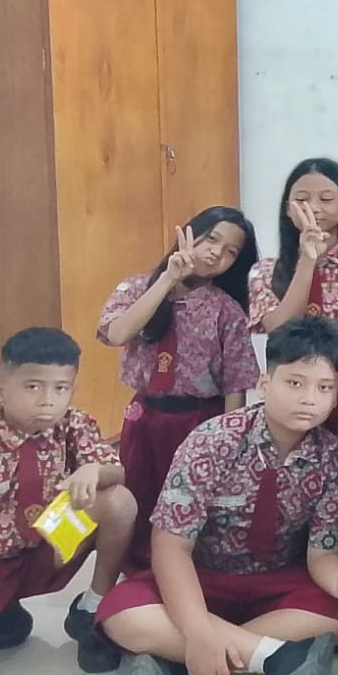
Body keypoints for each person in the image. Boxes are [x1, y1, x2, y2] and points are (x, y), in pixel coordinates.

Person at [97, 318, 338, 675]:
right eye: (295, 383)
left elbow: (322, 553)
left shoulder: (335, 457)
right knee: (121, 611)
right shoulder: (212, 440)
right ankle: (278, 658)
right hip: (202, 577)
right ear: (264, 384)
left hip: (274, 583)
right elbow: (170, 547)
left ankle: (170, 659)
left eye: (325, 388)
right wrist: (198, 629)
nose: (309, 399)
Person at [97, 205, 258, 565]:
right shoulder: (136, 287)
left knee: (189, 502)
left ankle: (182, 569)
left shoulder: (226, 310)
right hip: (145, 415)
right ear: (189, 233)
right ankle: (137, 572)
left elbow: (236, 384)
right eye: (211, 239)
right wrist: (167, 280)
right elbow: (117, 333)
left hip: (198, 421)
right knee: (139, 493)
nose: (216, 252)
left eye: (230, 251)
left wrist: (228, 442)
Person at [0, 327, 136, 673]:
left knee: (118, 501)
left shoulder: (73, 424)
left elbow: (116, 472)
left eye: (60, 388)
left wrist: (94, 470)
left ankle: (91, 609)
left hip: (49, 547)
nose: (48, 400)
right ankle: (4, 612)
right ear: (0, 391)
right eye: (33, 387)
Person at [247, 158, 338, 452]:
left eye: (326, 199)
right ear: (287, 208)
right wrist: (308, 259)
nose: (314, 208)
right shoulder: (266, 270)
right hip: (290, 399)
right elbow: (280, 328)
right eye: (302, 199)